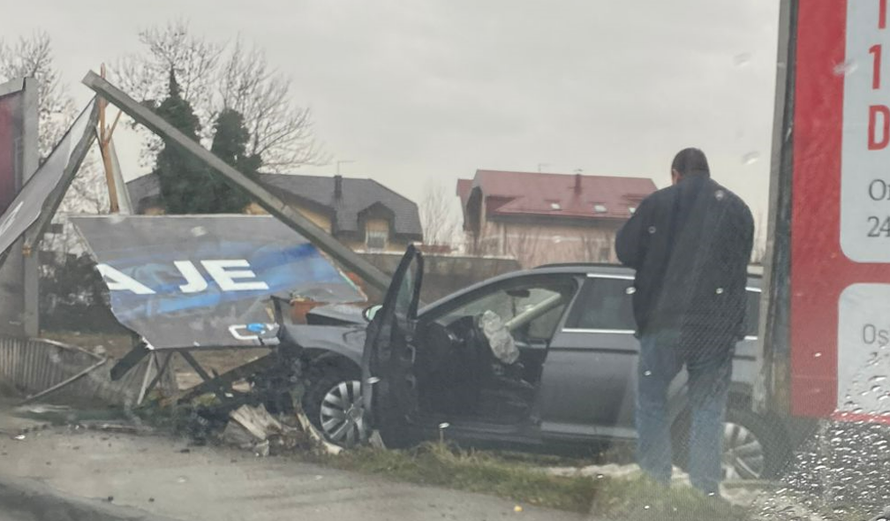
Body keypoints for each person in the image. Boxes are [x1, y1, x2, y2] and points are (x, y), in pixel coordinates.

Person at [615, 147, 754, 496]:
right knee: (707, 408)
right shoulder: (737, 209)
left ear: (675, 173)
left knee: (652, 400)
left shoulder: (658, 204)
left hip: (664, 322)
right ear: (707, 172)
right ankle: (705, 490)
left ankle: (655, 482)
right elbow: (740, 263)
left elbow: (626, 251)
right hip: (715, 327)